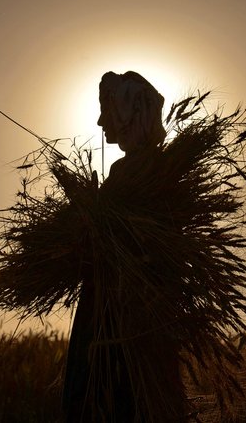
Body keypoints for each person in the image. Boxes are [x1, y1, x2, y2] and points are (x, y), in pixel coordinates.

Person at [62, 71, 187, 422]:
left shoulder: (132, 172)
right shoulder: (164, 168)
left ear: (130, 114)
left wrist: (85, 215)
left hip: (114, 309)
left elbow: (107, 242)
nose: (102, 121)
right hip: (146, 308)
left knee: (106, 394)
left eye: (109, 109)